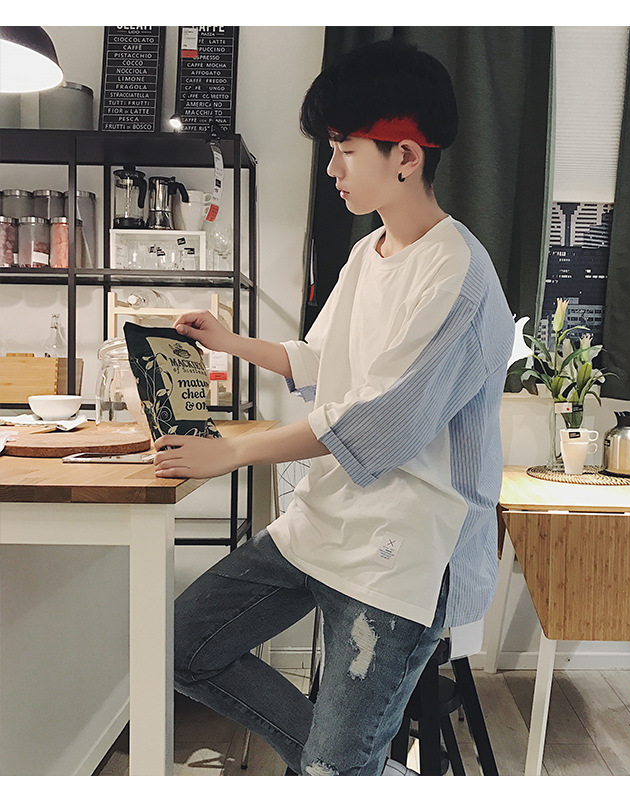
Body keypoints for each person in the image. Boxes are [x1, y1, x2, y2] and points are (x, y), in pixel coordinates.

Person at [154, 39, 515, 776]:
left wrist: (232, 452)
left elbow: (375, 420)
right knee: (181, 645)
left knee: (332, 772)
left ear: (405, 156)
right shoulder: (367, 253)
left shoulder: (459, 275)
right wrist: (231, 341)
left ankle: (348, 771)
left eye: (345, 150)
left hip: (405, 551)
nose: (331, 168)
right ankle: (359, 772)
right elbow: (325, 362)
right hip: (325, 522)